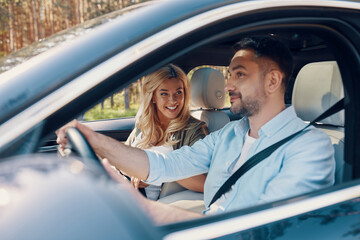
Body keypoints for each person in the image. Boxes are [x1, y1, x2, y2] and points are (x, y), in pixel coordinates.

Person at [57, 35, 335, 224]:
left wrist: (143, 209)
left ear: (272, 81)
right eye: (229, 75)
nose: (227, 86)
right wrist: (94, 141)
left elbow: (262, 231)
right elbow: (167, 163)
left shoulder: (310, 147)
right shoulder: (229, 134)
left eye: (239, 74)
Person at [124, 64, 208, 200]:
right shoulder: (144, 124)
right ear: (153, 97)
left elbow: (205, 183)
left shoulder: (194, 129)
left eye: (178, 92)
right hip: (124, 191)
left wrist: (153, 172)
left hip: (148, 204)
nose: (173, 100)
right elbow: (124, 157)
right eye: (164, 93)